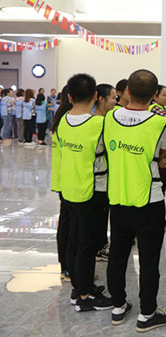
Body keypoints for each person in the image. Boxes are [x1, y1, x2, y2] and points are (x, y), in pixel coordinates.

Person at [104, 69, 166, 332]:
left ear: (127, 91)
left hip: (118, 197)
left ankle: (118, 307)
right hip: (149, 199)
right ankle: (147, 314)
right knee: (149, 259)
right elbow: (162, 154)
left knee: (118, 254)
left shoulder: (110, 118)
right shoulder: (160, 122)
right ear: (154, 95)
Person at [55, 73, 113, 312]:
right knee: (87, 245)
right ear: (95, 96)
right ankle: (85, 296)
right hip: (92, 191)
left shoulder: (62, 121)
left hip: (69, 188)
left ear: (69, 97)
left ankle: (78, 288)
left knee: (74, 240)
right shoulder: (99, 124)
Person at [93, 84, 117, 262]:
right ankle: (99, 247)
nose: (115, 101)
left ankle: (101, 244)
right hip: (99, 177)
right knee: (99, 216)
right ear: (101, 99)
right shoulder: (99, 122)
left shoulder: (106, 120)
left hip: (104, 177)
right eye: (113, 98)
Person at [52, 86, 72, 281]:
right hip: (68, 180)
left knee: (66, 223)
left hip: (63, 179)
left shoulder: (61, 118)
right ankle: (67, 267)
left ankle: (66, 266)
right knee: (68, 225)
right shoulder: (68, 120)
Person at [149, 85, 166, 230]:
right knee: (158, 189)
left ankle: (160, 218)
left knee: (162, 188)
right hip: (159, 156)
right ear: (155, 96)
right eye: (164, 95)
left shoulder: (165, 111)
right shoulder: (155, 110)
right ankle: (156, 220)